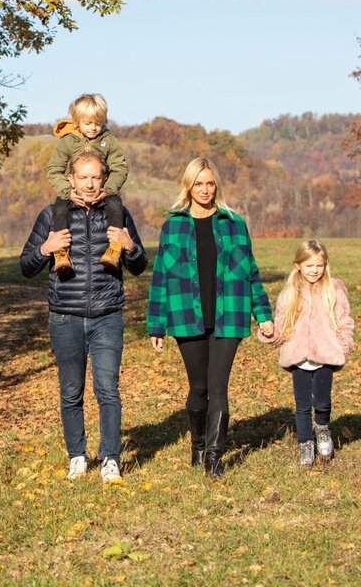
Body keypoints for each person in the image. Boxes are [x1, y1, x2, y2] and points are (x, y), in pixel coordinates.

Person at [21, 150, 147, 485]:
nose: (90, 184)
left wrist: (129, 245)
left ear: (104, 179)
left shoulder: (118, 214)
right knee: (70, 391)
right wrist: (45, 249)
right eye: (83, 177)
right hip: (65, 317)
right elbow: (26, 267)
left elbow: (138, 266)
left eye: (95, 177)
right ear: (71, 179)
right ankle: (77, 456)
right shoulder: (52, 215)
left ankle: (110, 460)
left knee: (108, 389)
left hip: (107, 316)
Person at [146, 156, 273, 477]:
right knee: (198, 388)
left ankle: (213, 459)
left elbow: (251, 272)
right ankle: (198, 443)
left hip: (229, 314)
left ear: (217, 185)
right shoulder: (173, 226)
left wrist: (263, 313)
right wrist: (156, 324)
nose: (205, 190)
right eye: (198, 184)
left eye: (210, 183)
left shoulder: (234, 223)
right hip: (187, 314)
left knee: (218, 387)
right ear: (189, 186)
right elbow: (160, 275)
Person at [257, 240, 354, 466]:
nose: (314, 270)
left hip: (325, 357)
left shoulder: (334, 290)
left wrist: (341, 345)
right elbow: (282, 324)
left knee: (322, 401)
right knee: (302, 405)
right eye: (309, 265)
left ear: (325, 265)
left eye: (319, 265)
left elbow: (344, 322)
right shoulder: (290, 293)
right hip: (298, 357)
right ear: (298, 265)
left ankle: (321, 429)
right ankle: (305, 443)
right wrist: (270, 332)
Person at [46, 93, 129, 276]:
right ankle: (61, 254)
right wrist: (68, 192)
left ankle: (114, 250)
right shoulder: (67, 141)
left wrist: (107, 190)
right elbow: (54, 170)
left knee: (116, 205)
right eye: (88, 123)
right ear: (77, 121)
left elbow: (120, 168)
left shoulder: (109, 141)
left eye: (98, 123)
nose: (94, 128)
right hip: (73, 192)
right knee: (60, 209)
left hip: (102, 192)